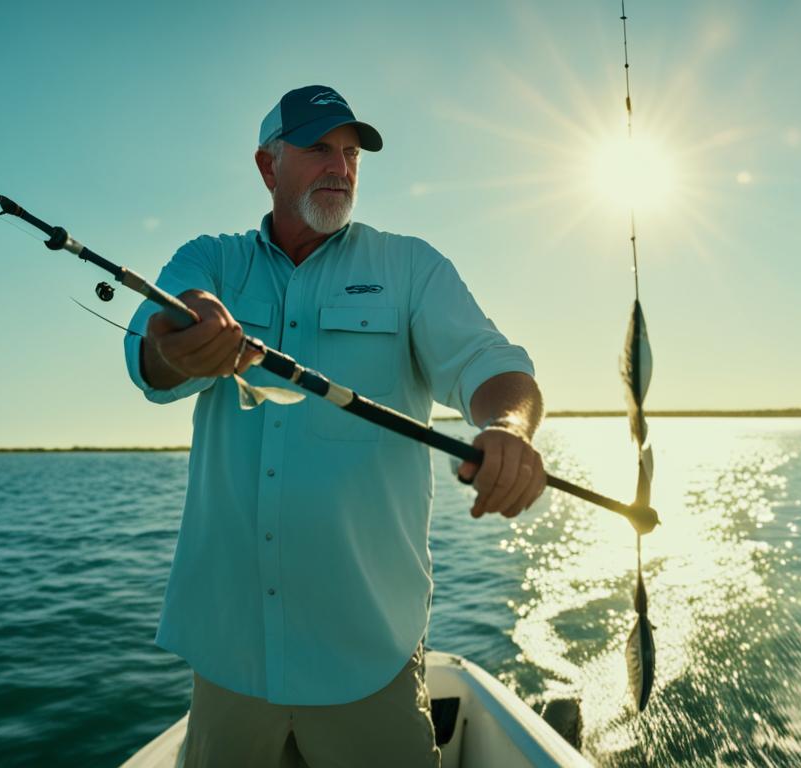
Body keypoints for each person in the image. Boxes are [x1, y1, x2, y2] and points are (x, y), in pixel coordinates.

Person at [124, 85, 548, 768]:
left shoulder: (410, 266)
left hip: (368, 656)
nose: (340, 165)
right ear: (268, 166)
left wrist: (507, 426)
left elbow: (490, 362)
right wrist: (181, 338)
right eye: (319, 147)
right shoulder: (213, 258)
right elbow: (153, 346)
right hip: (229, 657)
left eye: (350, 152)